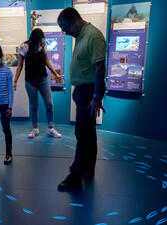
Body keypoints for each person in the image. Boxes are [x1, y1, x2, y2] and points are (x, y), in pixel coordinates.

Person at [57, 8, 106, 191]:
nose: (64, 32)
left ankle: (75, 177)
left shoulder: (93, 36)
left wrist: (96, 96)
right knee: (88, 132)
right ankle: (88, 168)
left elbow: (100, 69)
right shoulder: (81, 35)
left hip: (88, 91)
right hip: (83, 91)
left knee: (82, 133)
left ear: (74, 20)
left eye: (64, 27)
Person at [14, 28, 63, 139]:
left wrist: (55, 73)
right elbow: (20, 65)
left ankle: (51, 128)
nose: (40, 42)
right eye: (39, 39)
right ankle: (35, 129)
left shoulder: (43, 44)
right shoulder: (24, 46)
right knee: (34, 105)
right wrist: (15, 80)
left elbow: (47, 61)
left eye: (42, 39)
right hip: (30, 80)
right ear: (34, 39)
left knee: (49, 104)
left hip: (42, 79)